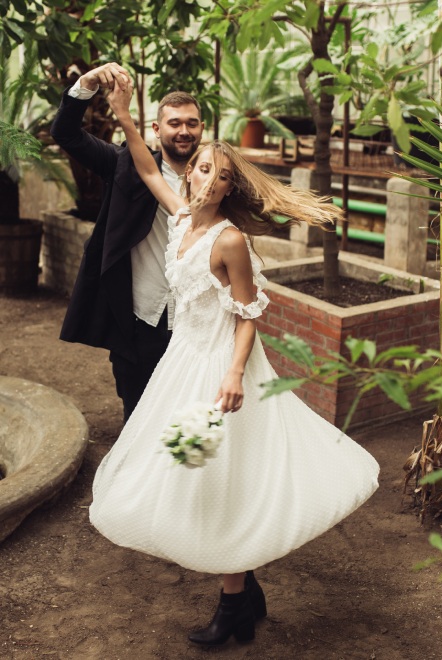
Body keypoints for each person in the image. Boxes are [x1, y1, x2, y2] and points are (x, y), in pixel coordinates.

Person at [88, 76, 380, 647]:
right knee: (186, 471)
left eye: (223, 177)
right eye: (204, 170)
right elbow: (148, 168)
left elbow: (249, 314)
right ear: (190, 171)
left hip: (222, 365)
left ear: (227, 188)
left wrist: (231, 374)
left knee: (221, 482)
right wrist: (124, 115)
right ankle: (247, 592)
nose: (211, 182)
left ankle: (233, 610)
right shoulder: (177, 220)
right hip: (182, 358)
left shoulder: (229, 241)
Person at [50, 63, 205, 421]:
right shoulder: (124, 165)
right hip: (140, 319)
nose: (184, 131)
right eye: (175, 123)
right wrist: (86, 84)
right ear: (156, 128)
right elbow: (66, 134)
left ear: (201, 129)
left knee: (189, 415)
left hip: (195, 322)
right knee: (138, 415)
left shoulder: (216, 179)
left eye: (191, 123)